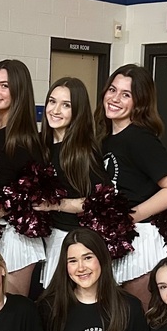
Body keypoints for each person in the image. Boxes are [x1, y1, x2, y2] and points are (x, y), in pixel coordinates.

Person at [96, 65, 167, 309]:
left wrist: (131, 216)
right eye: (112, 90)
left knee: (140, 319)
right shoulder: (105, 137)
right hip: (116, 237)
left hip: (140, 240)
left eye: (126, 94)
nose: (115, 98)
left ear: (140, 103)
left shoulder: (140, 138)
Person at [0, 59, 48, 296]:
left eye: (4, 86)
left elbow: (37, 196)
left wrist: (2, 210)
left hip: (16, 239)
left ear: (19, 91)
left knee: (13, 309)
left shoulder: (28, 142)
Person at [36, 77, 105, 289]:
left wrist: (56, 204)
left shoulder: (85, 151)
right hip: (43, 238)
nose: (55, 110)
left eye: (66, 105)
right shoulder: (41, 145)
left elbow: (98, 202)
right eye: (52, 101)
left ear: (78, 111)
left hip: (72, 241)